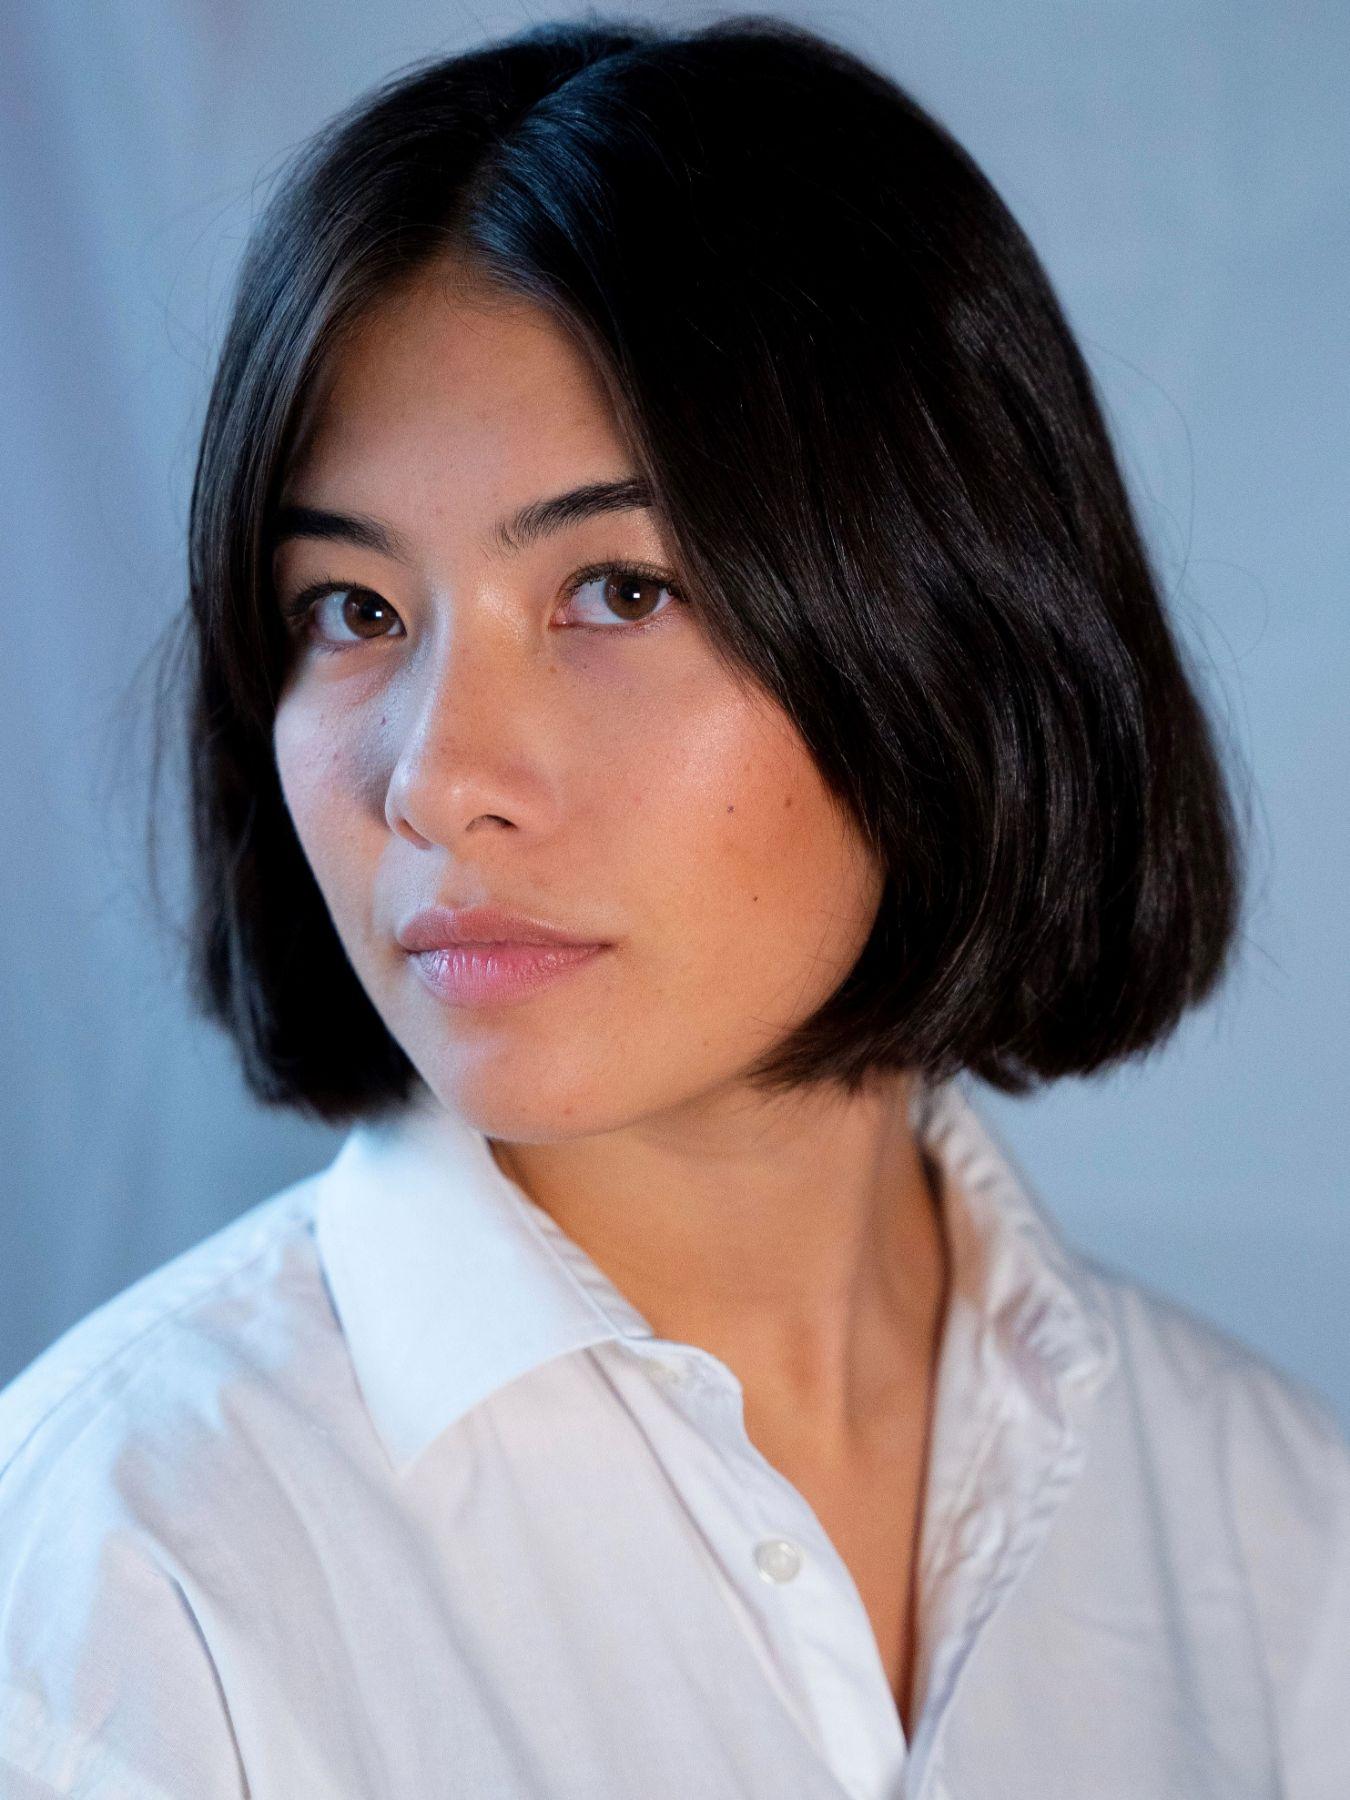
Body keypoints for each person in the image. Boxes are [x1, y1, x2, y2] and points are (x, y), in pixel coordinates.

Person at [1, 13, 1346, 1799]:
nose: (435, 777)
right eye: (353, 609)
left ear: (951, 631)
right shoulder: (113, 1575)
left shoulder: (1273, 1529)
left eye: (618, 588)